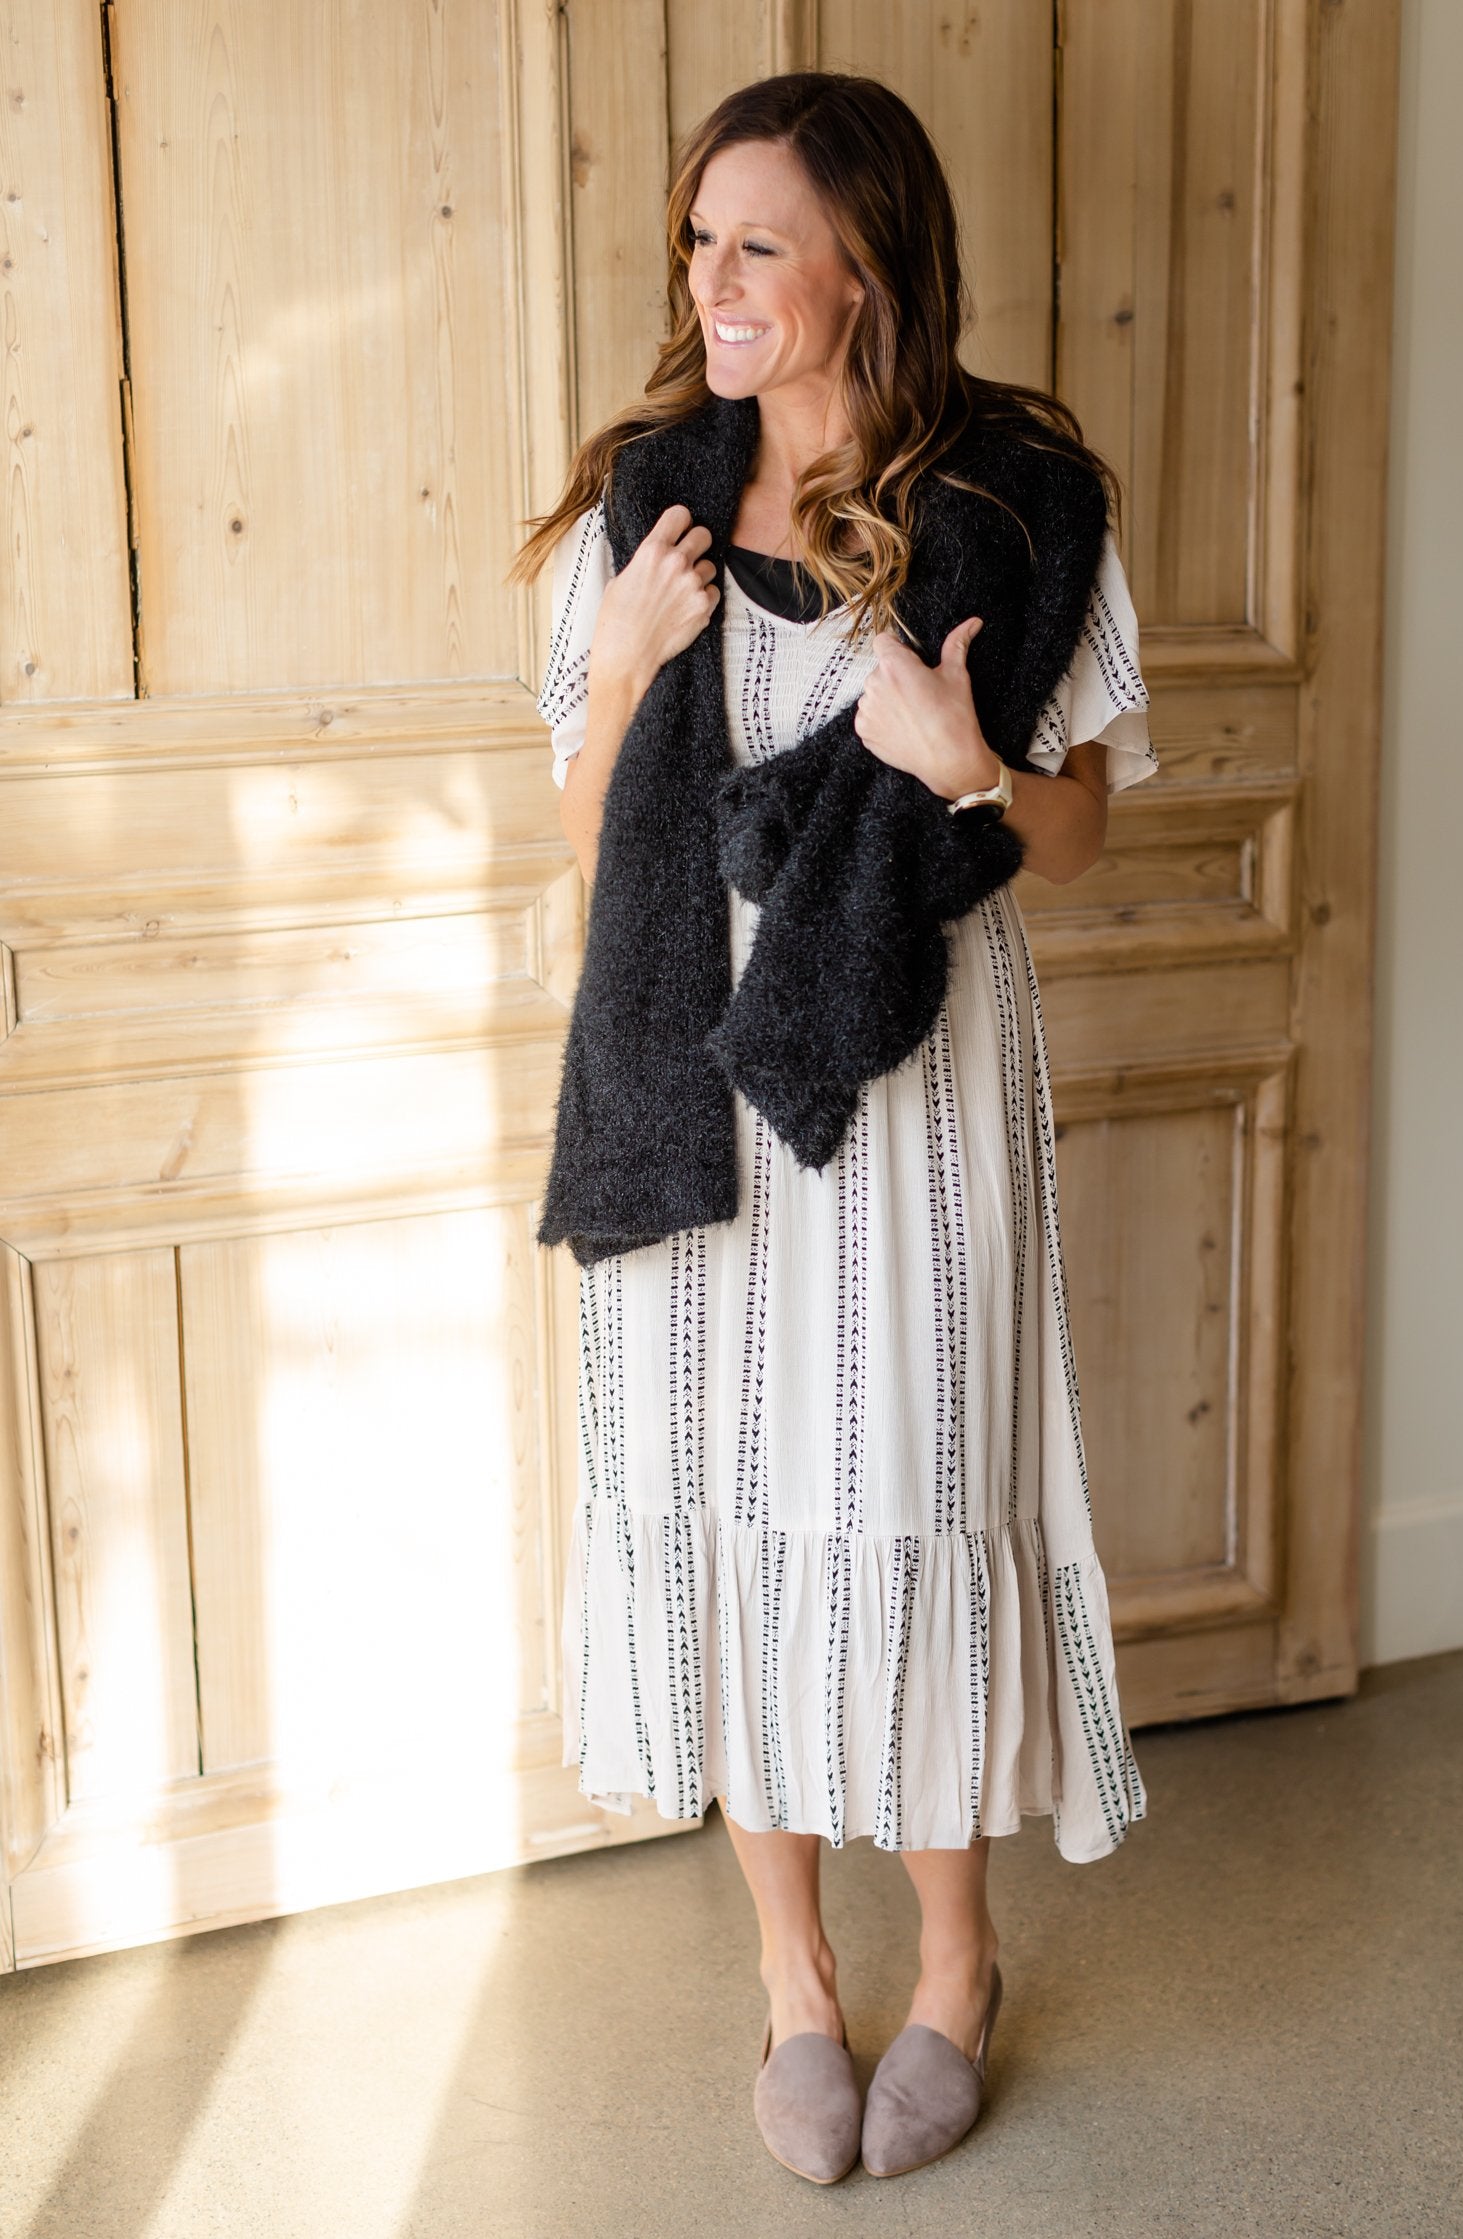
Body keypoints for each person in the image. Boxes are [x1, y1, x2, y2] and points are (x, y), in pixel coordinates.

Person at [512, 70, 1152, 2185]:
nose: (710, 282)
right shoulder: (646, 512)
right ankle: (794, 1979)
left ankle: (956, 1961)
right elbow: (589, 827)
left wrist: (968, 766)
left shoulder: (1013, 507)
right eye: (697, 241)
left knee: (909, 1483)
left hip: (918, 1093)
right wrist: (625, 661)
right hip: (685, 1083)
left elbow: (1078, 833)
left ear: (863, 266)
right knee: (722, 1492)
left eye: (756, 244)